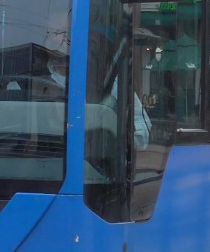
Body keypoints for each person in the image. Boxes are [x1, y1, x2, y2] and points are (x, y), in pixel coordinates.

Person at [44, 13, 150, 150]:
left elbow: (142, 132)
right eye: (52, 33)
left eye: (65, 32)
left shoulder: (109, 81)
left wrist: (111, 142)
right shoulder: (25, 80)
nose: (62, 40)